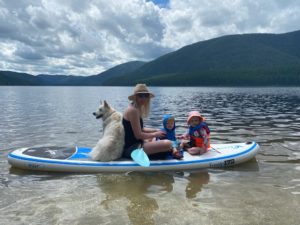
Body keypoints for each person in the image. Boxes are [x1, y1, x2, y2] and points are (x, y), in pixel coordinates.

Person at [122, 84, 174, 159]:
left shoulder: (136, 108)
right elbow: (138, 135)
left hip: (136, 144)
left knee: (153, 139)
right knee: (168, 144)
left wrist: (156, 130)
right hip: (132, 149)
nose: (144, 98)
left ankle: (156, 153)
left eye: (146, 95)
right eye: (140, 96)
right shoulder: (133, 110)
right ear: (135, 97)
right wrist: (155, 134)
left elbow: (141, 129)